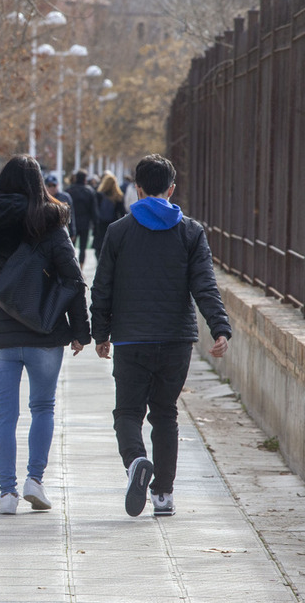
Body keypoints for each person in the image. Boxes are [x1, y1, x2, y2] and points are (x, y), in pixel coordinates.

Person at [90, 154, 231, 518]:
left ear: (136, 189)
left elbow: (102, 286)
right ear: (172, 188)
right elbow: (205, 285)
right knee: (165, 413)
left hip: (131, 339)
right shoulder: (190, 231)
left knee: (127, 412)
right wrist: (219, 327)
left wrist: (100, 333)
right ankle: (164, 495)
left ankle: (136, 460)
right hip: (175, 340)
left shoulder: (119, 231)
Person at [0, 155, 90, 515]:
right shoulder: (50, 222)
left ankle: (6, 494)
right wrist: (80, 330)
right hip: (45, 331)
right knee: (43, 407)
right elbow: (73, 280)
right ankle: (35, 481)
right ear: (38, 184)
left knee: (4, 414)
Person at [65, 170, 96, 267]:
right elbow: (94, 210)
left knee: (70, 247)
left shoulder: (69, 191)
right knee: (83, 247)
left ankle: (71, 267)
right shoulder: (89, 191)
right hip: (85, 223)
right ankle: (81, 268)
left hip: (71, 222)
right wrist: (95, 224)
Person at [92, 172, 126, 259]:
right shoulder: (118, 196)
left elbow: (95, 211)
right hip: (113, 224)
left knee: (99, 249)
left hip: (100, 224)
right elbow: (122, 213)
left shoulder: (99, 194)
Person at [45, 173, 76, 240]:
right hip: (47, 232)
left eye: (54, 185)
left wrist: (72, 232)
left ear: (57, 185)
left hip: (62, 231)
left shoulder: (65, 197)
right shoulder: (42, 198)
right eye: (49, 185)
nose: (52, 188)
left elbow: (71, 215)